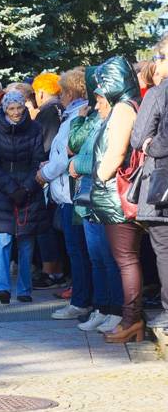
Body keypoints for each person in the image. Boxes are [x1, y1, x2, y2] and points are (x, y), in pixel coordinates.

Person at [89, 56, 144, 343]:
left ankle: (131, 320)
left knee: (125, 260)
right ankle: (131, 318)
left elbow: (116, 152)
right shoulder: (131, 105)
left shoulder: (123, 109)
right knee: (127, 259)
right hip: (119, 196)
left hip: (117, 196)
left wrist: (100, 173)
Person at [69, 66, 123, 333]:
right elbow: (76, 144)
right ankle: (101, 307)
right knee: (96, 257)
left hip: (104, 195)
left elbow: (106, 157)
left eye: (101, 100)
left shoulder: (116, 120)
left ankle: (116, 309)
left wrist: (78, 163)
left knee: (108, 257)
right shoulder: (95, 120)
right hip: (88, 195)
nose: (97, 104)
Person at [36, 69, 91, 319]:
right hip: (67, 192)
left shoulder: (76, 117)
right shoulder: (70, 115)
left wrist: (45, 173)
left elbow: (65, 155)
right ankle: (82, 297)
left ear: (69, 92)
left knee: (77, 250)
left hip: (73, 193)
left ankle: (81, 300)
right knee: (77, 249)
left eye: (62, 92)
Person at [0, 90, 48, 304]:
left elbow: (38, 160)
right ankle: (2, 287)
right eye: (11, 108)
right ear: (4, 109)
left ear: (24, 107)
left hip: (29, 189)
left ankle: (24, 289)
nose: (15, 112)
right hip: (3, 190)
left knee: (26, 241)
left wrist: (27, 188)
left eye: (19, 108)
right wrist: (11, 188)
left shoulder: (35, 129)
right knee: (3, 238)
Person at [131, 36, 168, 331]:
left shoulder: (158, 93)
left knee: (165, 250)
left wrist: (151, 145)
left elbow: (138, 136)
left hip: (162, 188)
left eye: (159, 58)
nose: (156, 63)